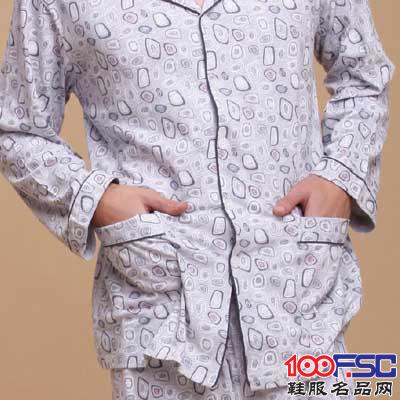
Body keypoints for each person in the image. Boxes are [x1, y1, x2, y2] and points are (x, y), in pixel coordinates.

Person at [0, 0, 394, 398]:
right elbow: (18, 128)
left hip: (298, 292)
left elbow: (363, 75)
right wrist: (97, 199)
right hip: (163, 311)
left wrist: (340, 175)